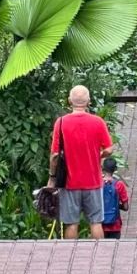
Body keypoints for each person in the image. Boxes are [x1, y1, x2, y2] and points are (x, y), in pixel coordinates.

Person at [48, 84, 114, 240]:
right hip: (93, 181)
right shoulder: (97, 122)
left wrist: (52, 177)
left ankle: (72, 257)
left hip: (70, 182)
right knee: (96, 222)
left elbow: (55, 155)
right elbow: (109, 149)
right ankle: (98, 256)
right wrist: (99, 155)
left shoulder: (61, 123)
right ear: (88, 101)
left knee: (71, 223)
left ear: (69, 100)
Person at [101, 157, 130, 239]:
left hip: (100, 223)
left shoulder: (98, 183)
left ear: (103, 168)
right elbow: (126, 207)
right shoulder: (119, 185)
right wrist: (117, 204)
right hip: (115, 224)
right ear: (115, 169)